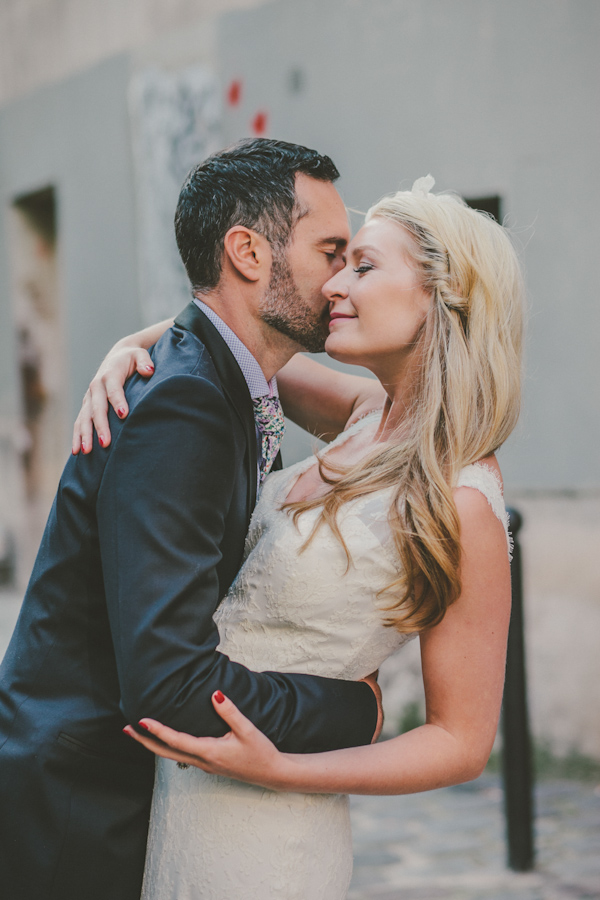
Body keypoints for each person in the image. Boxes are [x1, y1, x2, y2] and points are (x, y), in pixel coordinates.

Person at [78, 175, 523, 899]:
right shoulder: (364, 411)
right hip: (180, 800)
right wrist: (126, 350)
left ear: (443, 299)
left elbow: (461, 742)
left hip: (275, 827)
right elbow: (222, 340)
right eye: (340, 259)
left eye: (364, 266)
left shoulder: (460, 493)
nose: (335, 285)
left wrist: (286, 771)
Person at [0, 139, 386, 900]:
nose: (342, 280)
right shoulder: (186, 403)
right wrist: (353, 708)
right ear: (247, 251)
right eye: (331, 251)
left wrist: (137, 338)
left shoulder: (228, 380)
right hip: (78, 814)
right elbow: (171, 683)